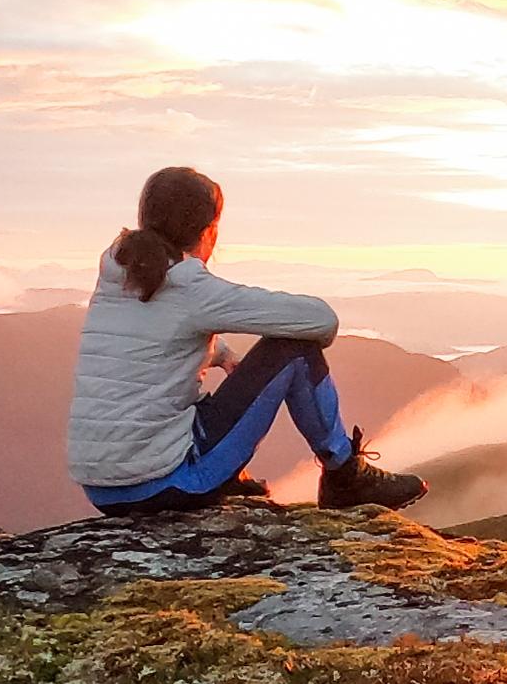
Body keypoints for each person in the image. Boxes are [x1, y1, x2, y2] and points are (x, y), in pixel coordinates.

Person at [66, 165, 426, 515]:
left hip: (103, 489)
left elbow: (147, 337)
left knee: (185, 404)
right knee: (293, 349)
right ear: (209, 231)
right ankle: (345, 475)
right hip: (165, 484)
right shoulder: (191, 286)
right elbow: (321, 321)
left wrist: (220, 353)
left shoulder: (119, 273)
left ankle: (229, 474)